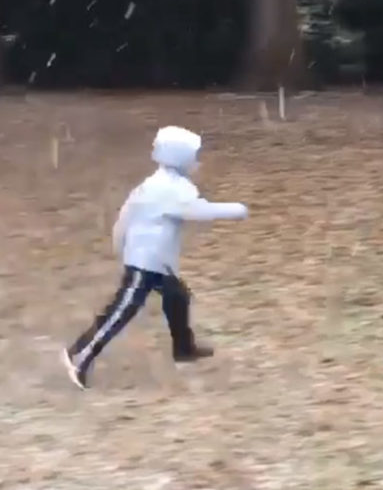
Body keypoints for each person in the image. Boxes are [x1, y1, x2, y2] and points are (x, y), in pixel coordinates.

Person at [62, 125, 248, 389]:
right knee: (123, 309)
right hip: (146, 261)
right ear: (180, 157)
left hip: (155, 259)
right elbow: (196, 211)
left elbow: (126, 213)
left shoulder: (154, 182)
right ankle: (79, 354)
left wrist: (119, 240)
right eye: (194, 155)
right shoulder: (172, 189)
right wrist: (236, 210)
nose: (198, 160)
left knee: (177, 296)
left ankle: (184, 348)